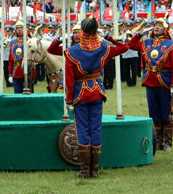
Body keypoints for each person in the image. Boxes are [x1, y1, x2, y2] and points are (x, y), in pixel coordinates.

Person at [55, 17, 131, 179]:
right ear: (96, 31)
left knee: (82, 129)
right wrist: (109, 36)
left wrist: (69, 99)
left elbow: (69, 79)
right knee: (95, 128)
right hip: (97, 90)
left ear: (82, 31)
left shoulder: (71, 52)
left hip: (80, 93)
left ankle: (84, 171)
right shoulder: (104, 48)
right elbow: (125, 46)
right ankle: (94, 171)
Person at [128, 18, 173, 152]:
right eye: (155, 25)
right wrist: (140, 33)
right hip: (150, 82)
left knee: (166, 113)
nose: (156, 27)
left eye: (159, 25)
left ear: (165, 29)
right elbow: (130, 45)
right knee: (154, 113)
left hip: (165, 82)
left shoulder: (172, 45)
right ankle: (157, 142)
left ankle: (168, 142)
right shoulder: (146, 43)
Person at [8, 21, 35, 93]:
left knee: (28, 94)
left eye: (21, 28)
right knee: (17, 94)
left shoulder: (30, 41)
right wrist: (10, 74)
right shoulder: (12, 42)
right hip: (16, 71)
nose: (19, 30)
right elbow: (11, 59)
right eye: (17, 28)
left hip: (27, 71)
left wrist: (34, 72)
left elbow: (34, 58)